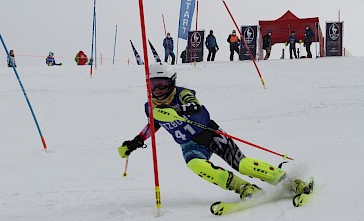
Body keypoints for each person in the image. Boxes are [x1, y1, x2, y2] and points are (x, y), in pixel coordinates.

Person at [118, 62, 310, 201]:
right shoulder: (150, 107)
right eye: (153, 85)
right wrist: (134, 142)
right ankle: (244, 188)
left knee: (243, 165)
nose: (158, 90)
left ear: (172, 83)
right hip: (189, 145)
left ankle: (289, 182)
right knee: (196, 165)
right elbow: (153, 125)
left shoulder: (183, 94)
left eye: (162, 84)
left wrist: (175, 111)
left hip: (211, 134)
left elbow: (195, 107)